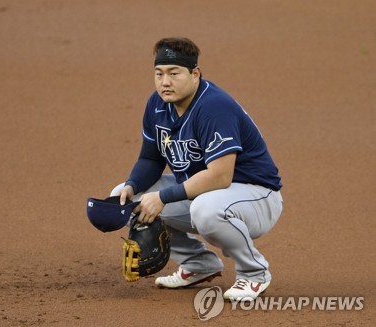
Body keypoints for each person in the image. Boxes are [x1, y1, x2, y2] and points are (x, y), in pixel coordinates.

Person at [110, 37, 283, 301]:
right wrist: (133, 185)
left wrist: (163, 198)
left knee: (205, 210)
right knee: (129, 195)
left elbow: (220, 176)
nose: (164, 82)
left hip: (256, 195)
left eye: (174, 73)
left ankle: (254, 273)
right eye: (159, 74)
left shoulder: (214, 107)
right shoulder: (157, 105)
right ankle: (198, 264)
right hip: (206, 192)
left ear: (195, 74)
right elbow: (151, 160)